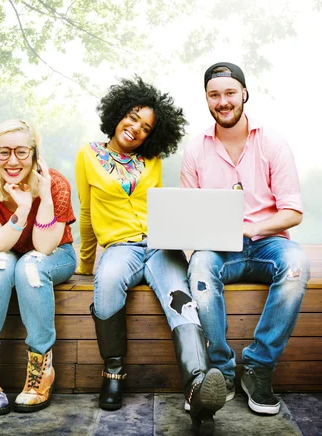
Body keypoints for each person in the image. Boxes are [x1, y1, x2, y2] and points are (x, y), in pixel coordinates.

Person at [75, 77, 226, 435]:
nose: (136, 129)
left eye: (146, 128)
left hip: (160, 245)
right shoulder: (88, 155)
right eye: (132, 118)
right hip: (120, 247)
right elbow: (85, 211)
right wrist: (84, 262)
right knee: (108, 281)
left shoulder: (152, 160)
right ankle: (113, 370)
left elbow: (161, 207)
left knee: (183, 300)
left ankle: (198, 386)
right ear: (117, 114)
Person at [181, 62, 310, 416]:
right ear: (206, 99)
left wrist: (251, 228)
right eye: (214, 95)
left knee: (297, 264)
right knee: (201, 265)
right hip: (221, 249)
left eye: (229, 93)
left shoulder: (272, 142)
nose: (222, 102)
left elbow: (293, 213)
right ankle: (221, 370)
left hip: (268, 242)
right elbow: (189, 215)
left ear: (244, 94)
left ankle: (257, 367)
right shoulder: (195, 149)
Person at [0, 119, 76, 415]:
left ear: (35, 153)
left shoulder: (57, 182)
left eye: (21, 152)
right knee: (1, 264)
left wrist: (45, 194)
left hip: (55, 253)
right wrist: (24, 208)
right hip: (1, 249)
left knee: (30, 266)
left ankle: (41, 370)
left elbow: (44, 247)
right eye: (4, 152)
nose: (12, 161)